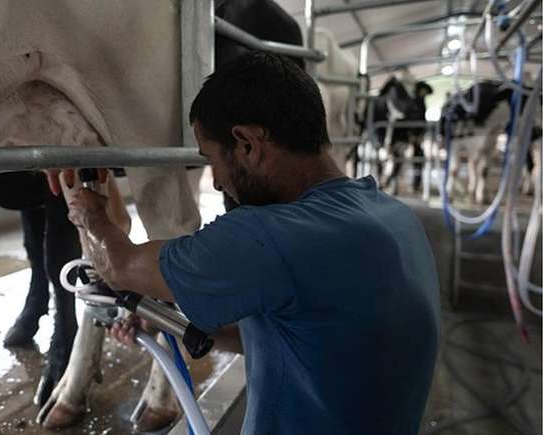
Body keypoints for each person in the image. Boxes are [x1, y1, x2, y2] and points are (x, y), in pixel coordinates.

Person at [49, 51, 440, 435]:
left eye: (212, 160)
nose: (217, 182)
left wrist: (92, 216)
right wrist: (159, 317)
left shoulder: (268, 236)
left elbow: (118, 266)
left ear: (247, 143)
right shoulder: (394, 215)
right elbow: (301, 335)